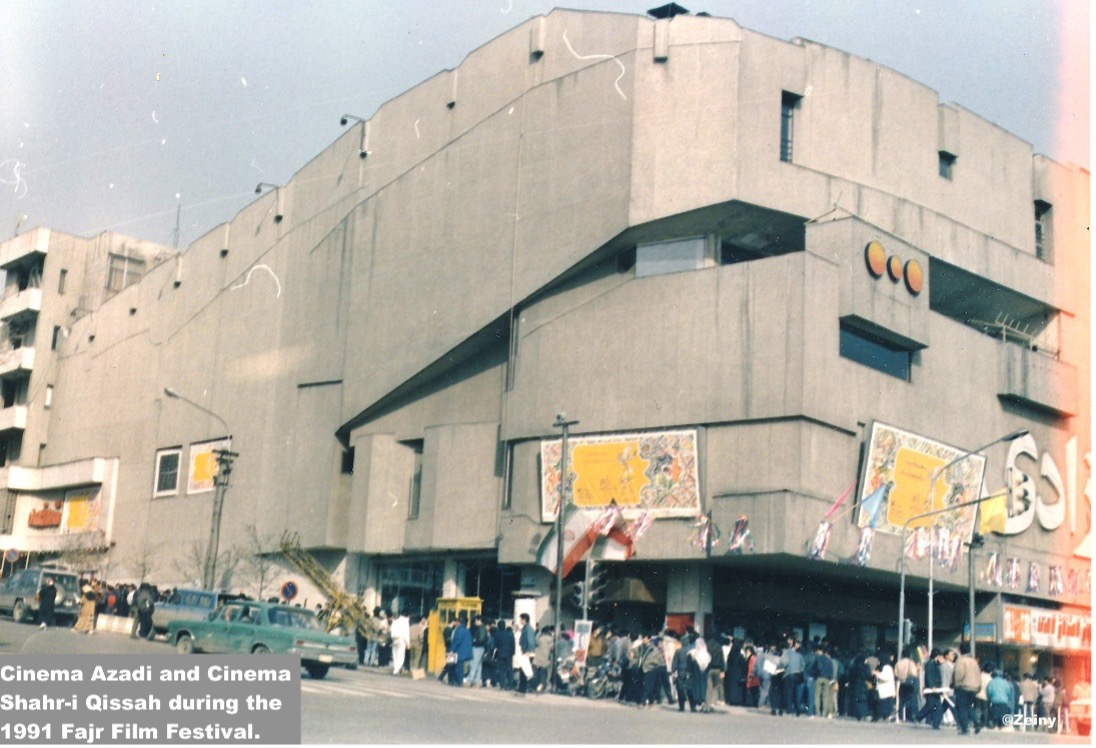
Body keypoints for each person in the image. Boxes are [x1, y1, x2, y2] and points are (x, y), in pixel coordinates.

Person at [918, 648, 947, 729]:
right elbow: (929, 676)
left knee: (937, 707)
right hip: (932, 689)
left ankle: (936, 724)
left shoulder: (934, 664)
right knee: (930, 705)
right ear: (937, 656)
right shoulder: (930, 664)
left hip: (936, 689)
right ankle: (918, 717)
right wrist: (932, 686)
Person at [672, 634, 700, 712]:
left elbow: (675, 663)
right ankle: (693, 707)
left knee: (680, 689)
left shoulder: (678, 651)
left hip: (681, 671)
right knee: (690, 690)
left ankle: (681, 707)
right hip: (690, 672)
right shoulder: (692, 651)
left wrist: (673, 671)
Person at [778, 638, 805, 716]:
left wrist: (779, 666)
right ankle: (797, 709)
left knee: (788, 693)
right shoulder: (799, 655)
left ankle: (788, 709)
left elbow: (784, 663)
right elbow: (803, 665)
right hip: (798, 675)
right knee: (796, 692)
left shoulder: (787, 653)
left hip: (789, 674)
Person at [895, 646, 920, 723]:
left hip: (902, 683)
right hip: (910, 684)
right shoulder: (911, 663)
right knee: (911, 700)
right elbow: (914, 673)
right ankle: (912, 716)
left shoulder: (898, 663)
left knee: (901, 701)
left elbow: (896, 674)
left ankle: (900, 716)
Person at [447, 614, 473, 687]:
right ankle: (459, 681)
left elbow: (456, 641)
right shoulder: (467, 630)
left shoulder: (459, 630)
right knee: (461, 667)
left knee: (458, 667)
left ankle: (459, 682)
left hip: (459, 652)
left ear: (459, 622)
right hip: (466, 652)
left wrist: (451, 650)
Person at [516, 613, 536, 695]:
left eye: (521, 619)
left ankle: (523, 690)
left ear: (524, 620)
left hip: (527, 653)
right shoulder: (525, 628)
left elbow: (531, 641)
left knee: (524, 672)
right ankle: (521, 689)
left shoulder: (528, 629)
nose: (520, 621)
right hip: (524, 652)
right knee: (523, 671)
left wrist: (529, 651)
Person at [493, 619, 516, 691]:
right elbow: (513, 644)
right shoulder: (510, 633)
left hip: (500, 653)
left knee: (501, 670)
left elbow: (495, 644)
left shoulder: (497, 634)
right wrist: (513, 652)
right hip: (509, 654)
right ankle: (511, 685)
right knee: (509, 670)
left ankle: (502, 685)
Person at [873, 653, 896, 722]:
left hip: (886, 691)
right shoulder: (887, 667)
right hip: (886, 691)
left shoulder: (886, 667)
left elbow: (885, 677)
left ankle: (885, 716)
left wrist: (876, 674)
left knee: (884, 705)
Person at [467, 615, 488, 687]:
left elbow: (481, 639)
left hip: (477, 648)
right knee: (479, 666)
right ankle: (477, 682)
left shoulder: (481, 629)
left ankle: (469, 681)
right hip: (481, 648)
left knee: (474, 664)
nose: (475, 622)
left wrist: (474, 641)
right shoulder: (483, 628)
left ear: (479, 620)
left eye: (476, 620)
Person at [389, 610, 410, 676]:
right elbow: (406, 633)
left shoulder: (395, 621)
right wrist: (408, 643)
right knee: (400, 655)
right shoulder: (405, 622)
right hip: (401, 640)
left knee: (395, 654)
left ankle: (395, 668)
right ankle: (397, 669)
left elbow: (391, 630)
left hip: (394, 639)